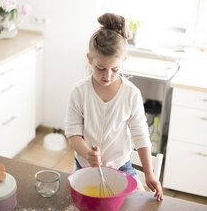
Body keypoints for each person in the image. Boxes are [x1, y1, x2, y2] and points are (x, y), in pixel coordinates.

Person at [65, 13, 163, 201]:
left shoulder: (131, 94)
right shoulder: (79, 92)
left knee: (136, 205)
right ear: (90, 59)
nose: (107, 76)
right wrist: (87, 154)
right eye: (100, 68)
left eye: (115, 69)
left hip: (120, 166)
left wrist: (149, 174)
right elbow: (73, 134)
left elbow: (141, 136)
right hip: (86, 166)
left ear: (123, 62)